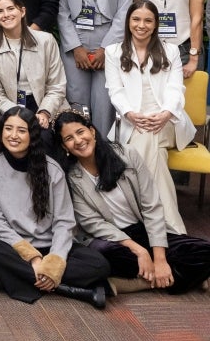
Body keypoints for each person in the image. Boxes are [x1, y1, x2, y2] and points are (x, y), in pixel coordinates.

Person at [55, 111, 210, 294]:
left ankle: (139, 282)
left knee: (204, 252)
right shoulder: (72, 177)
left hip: (142, 228)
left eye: (81, 132)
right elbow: (93, 223)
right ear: (65, 146)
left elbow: (151, 206)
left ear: (92, 131)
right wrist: (140, 251)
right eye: (69, 138)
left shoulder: (128, 155)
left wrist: (159, 259)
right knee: (101, 258)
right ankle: (181, 276)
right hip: (114, 239)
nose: (78, 140)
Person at [0, 106, 110, 307]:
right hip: (15, 247)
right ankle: (73, 291)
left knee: (99, 265)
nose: (13, 136)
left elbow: (64, 222)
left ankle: (16, 279)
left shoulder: (52, 169)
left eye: (21, 131)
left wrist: (54, 262)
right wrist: (33, 258)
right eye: (8, 129)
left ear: (32, 135)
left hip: (51, 244)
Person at [104, 0, 194, 235]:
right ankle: (170, 229)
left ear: (155, 25)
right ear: (128, 22)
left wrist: (165, 114)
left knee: (147, 138)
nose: (141, 25)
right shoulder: (113, 52)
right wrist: (131, 114)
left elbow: (176, 89)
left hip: (169, 121)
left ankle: (134, 219)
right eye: (136, 19)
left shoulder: (171, 51)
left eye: (147, 20)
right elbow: (115, 91)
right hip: (133, 120)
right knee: (151, 148)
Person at [57, 0, 133, 137]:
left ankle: (103, 155)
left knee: (104, 104)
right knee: (76, 101)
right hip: (76, 44)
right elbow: (62, 12)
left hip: (109, 42)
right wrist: (76, 48)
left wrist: (106, 49)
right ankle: (77, 155)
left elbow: (125, 12)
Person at [0, 0, 68, 142]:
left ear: (22, 11)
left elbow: (57, 86)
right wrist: (18, 115)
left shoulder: (46, 40)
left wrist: (45, 112)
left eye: (10, 9)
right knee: (16, 137)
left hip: (45, 103)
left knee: (44, 137)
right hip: (10, 107)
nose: (6, 15)